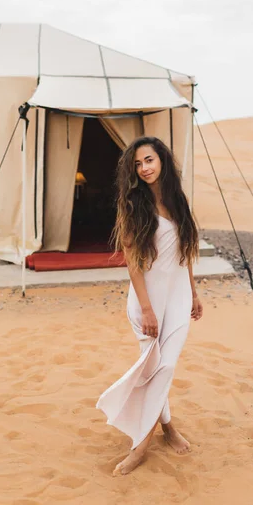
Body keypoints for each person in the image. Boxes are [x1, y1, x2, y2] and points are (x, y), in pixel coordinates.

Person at [96, 136, 203, 476]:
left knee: (165, 367)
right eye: (138, 164)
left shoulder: (178, 201)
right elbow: (133, 263)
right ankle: (156, 436)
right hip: (147, 302)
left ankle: (149, 438)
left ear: (162, 161)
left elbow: (184, 254)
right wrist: (146, 309)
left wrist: (194, 292)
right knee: (156, 368)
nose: (144, 168)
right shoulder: (133, 205)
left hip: (178, 298)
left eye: (149, 161)